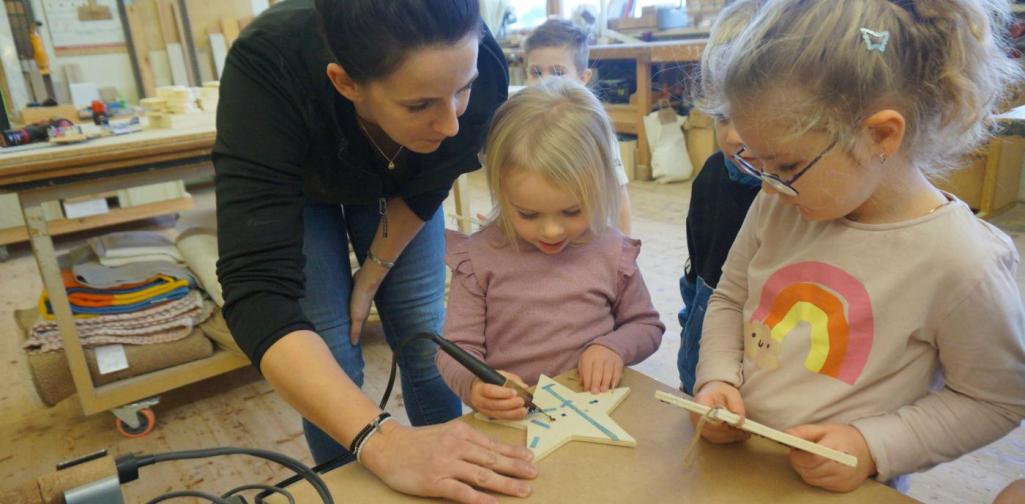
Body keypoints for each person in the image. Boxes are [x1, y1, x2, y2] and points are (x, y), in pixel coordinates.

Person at [691, 0, 1025, 493]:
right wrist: (716, 379)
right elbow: (728, 298)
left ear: (880, 136)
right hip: (741, 467)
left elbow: (996, 399)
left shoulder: (962, 261)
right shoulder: (780, 203)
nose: (768, 186)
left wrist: (871, 445)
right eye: (756, 163)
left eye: (786, 166)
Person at [213, 0, 536, 501]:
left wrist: (371, 273)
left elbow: (433, 175)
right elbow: (259, 293)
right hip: (305, 181)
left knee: (423, 325)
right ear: (345, 83)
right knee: (331, 347)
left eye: (463, 90)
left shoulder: (472, 57)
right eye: (420, 104)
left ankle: (455, 463)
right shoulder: (267, 65)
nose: (451, 124)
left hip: (402, 176)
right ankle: (346, 484)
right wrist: (381, 443)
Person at [436, 78, 664, 420]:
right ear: (499, 188)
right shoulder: (478, 259)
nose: (552, 230)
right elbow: (455, 351)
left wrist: (613, 347)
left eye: (572, 211)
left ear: (603, 184)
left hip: (596, 410)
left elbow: (646, 326)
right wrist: (475, 385)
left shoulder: (612, 250)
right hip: (514, 421)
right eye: (528, 214)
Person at [677, 1, 761, 395]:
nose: (732, 138)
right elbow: (696, 277)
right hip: (702, 362)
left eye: (749, 114)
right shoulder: (711, 176)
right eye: (723, 116)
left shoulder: (800, 202)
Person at [522, 18, 634, 234]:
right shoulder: (521, 123)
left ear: (583, 77)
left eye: (557, 72)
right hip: (540, 235)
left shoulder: (594, 129)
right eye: (535, 72)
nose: (545, 81)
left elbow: (618, 195)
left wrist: (624, 252)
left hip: (587, 237)